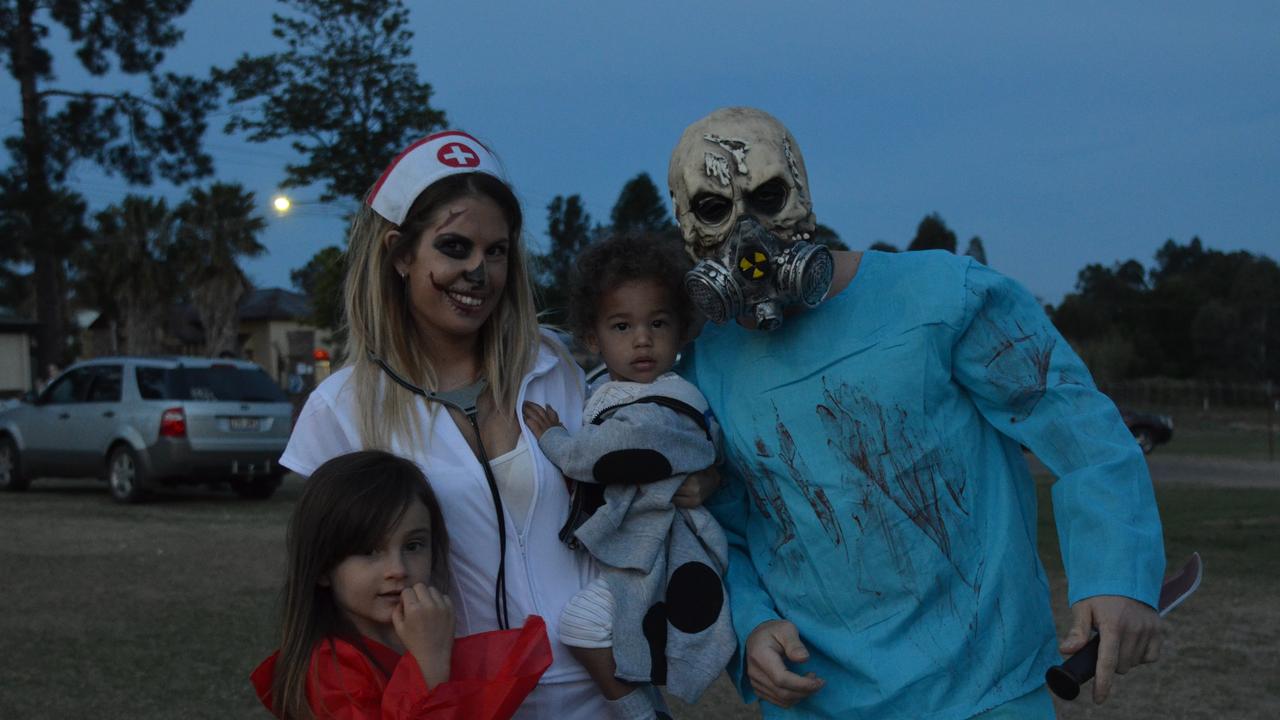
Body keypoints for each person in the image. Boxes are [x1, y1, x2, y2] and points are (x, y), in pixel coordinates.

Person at [665, 107, 1166, 719]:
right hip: (816, 699)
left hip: (987, 692)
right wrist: (750, 628)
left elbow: (1080, 428)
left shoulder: (943, 296)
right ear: (687, 226)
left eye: (768, 196)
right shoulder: (701, 370)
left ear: (802, 192)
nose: (749, 235)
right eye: (715, 208)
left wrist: (1117, 575)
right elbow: (720, 527)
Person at [280, 131, 610, 718]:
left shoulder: (552, 367)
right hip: (455, 699)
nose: (478, 273)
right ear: (401, 255)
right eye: (454, 248)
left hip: (599, 685)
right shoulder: (341, 408)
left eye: (497, 251)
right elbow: (331, 583)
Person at [522, 233, 735, 720]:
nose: (642, 339)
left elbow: (611, 452)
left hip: (660, 552)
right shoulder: (605, 388)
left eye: (657, 323)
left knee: (582, 624)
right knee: (619, 638)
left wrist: (556, 440)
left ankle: (646, 716)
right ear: (593, 337)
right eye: (622, 326)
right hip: (638, 547)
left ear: (682, 330)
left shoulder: (669, 401)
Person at [250, 450, 553, 719]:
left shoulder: (420, 633)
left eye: (413, 545)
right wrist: (429, 661)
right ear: (323, 566)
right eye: (369, 551)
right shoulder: (328, 670)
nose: (398, 569)